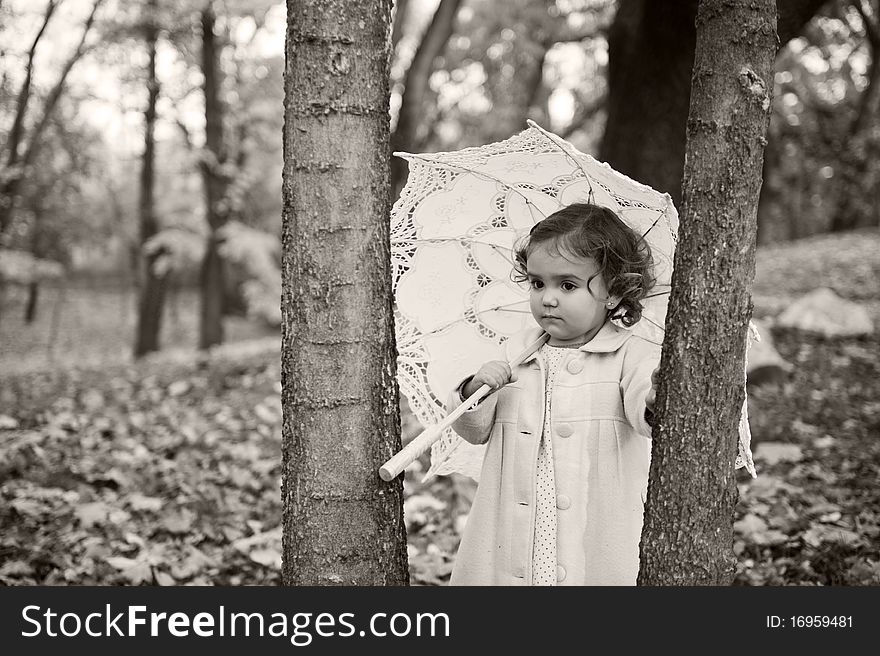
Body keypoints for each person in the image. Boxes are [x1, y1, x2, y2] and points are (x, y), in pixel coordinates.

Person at [447, 202, 661, 586]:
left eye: (567, 285)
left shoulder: (631, 356)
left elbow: (645, 413)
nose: (548, 298)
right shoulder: (517, 352)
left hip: (590, 524)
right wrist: (477, 389)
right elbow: (474, 430)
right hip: (516, 520)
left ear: (612, 292)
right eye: (537, 283)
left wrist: (657, 394)